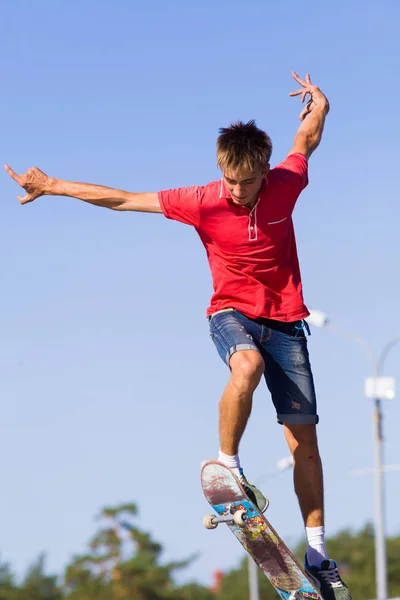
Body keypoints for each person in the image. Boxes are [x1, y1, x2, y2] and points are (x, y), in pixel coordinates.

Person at [5, 71, 351, 599]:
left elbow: (307, 138)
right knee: (246, 368)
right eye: (230, 182)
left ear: (264, 170)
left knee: (305, 442)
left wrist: (319, 103)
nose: (237, 193)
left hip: (287, 321)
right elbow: (123, 199)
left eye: (247, 183)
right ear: (221, 171)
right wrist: (53, 186)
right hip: (230, 312)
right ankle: (229, 469)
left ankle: (318, 552)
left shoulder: (287, 182)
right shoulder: (201, 199)